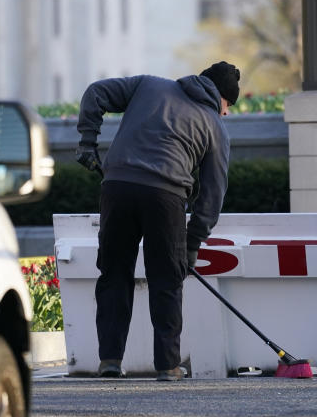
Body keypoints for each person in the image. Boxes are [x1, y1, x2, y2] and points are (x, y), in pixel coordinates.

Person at [74, 61, 240, 381]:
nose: (227, 112)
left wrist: (87, 141)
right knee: (166, 280)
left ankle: (110, 360)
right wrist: (191, 244)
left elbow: (96, 93)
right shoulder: (215, 127)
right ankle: (167, 366)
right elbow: (212, 196)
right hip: (166, 197)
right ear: (220, 97)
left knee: (114, 274)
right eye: (228, 104)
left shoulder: (148, 85)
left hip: (117, 187)